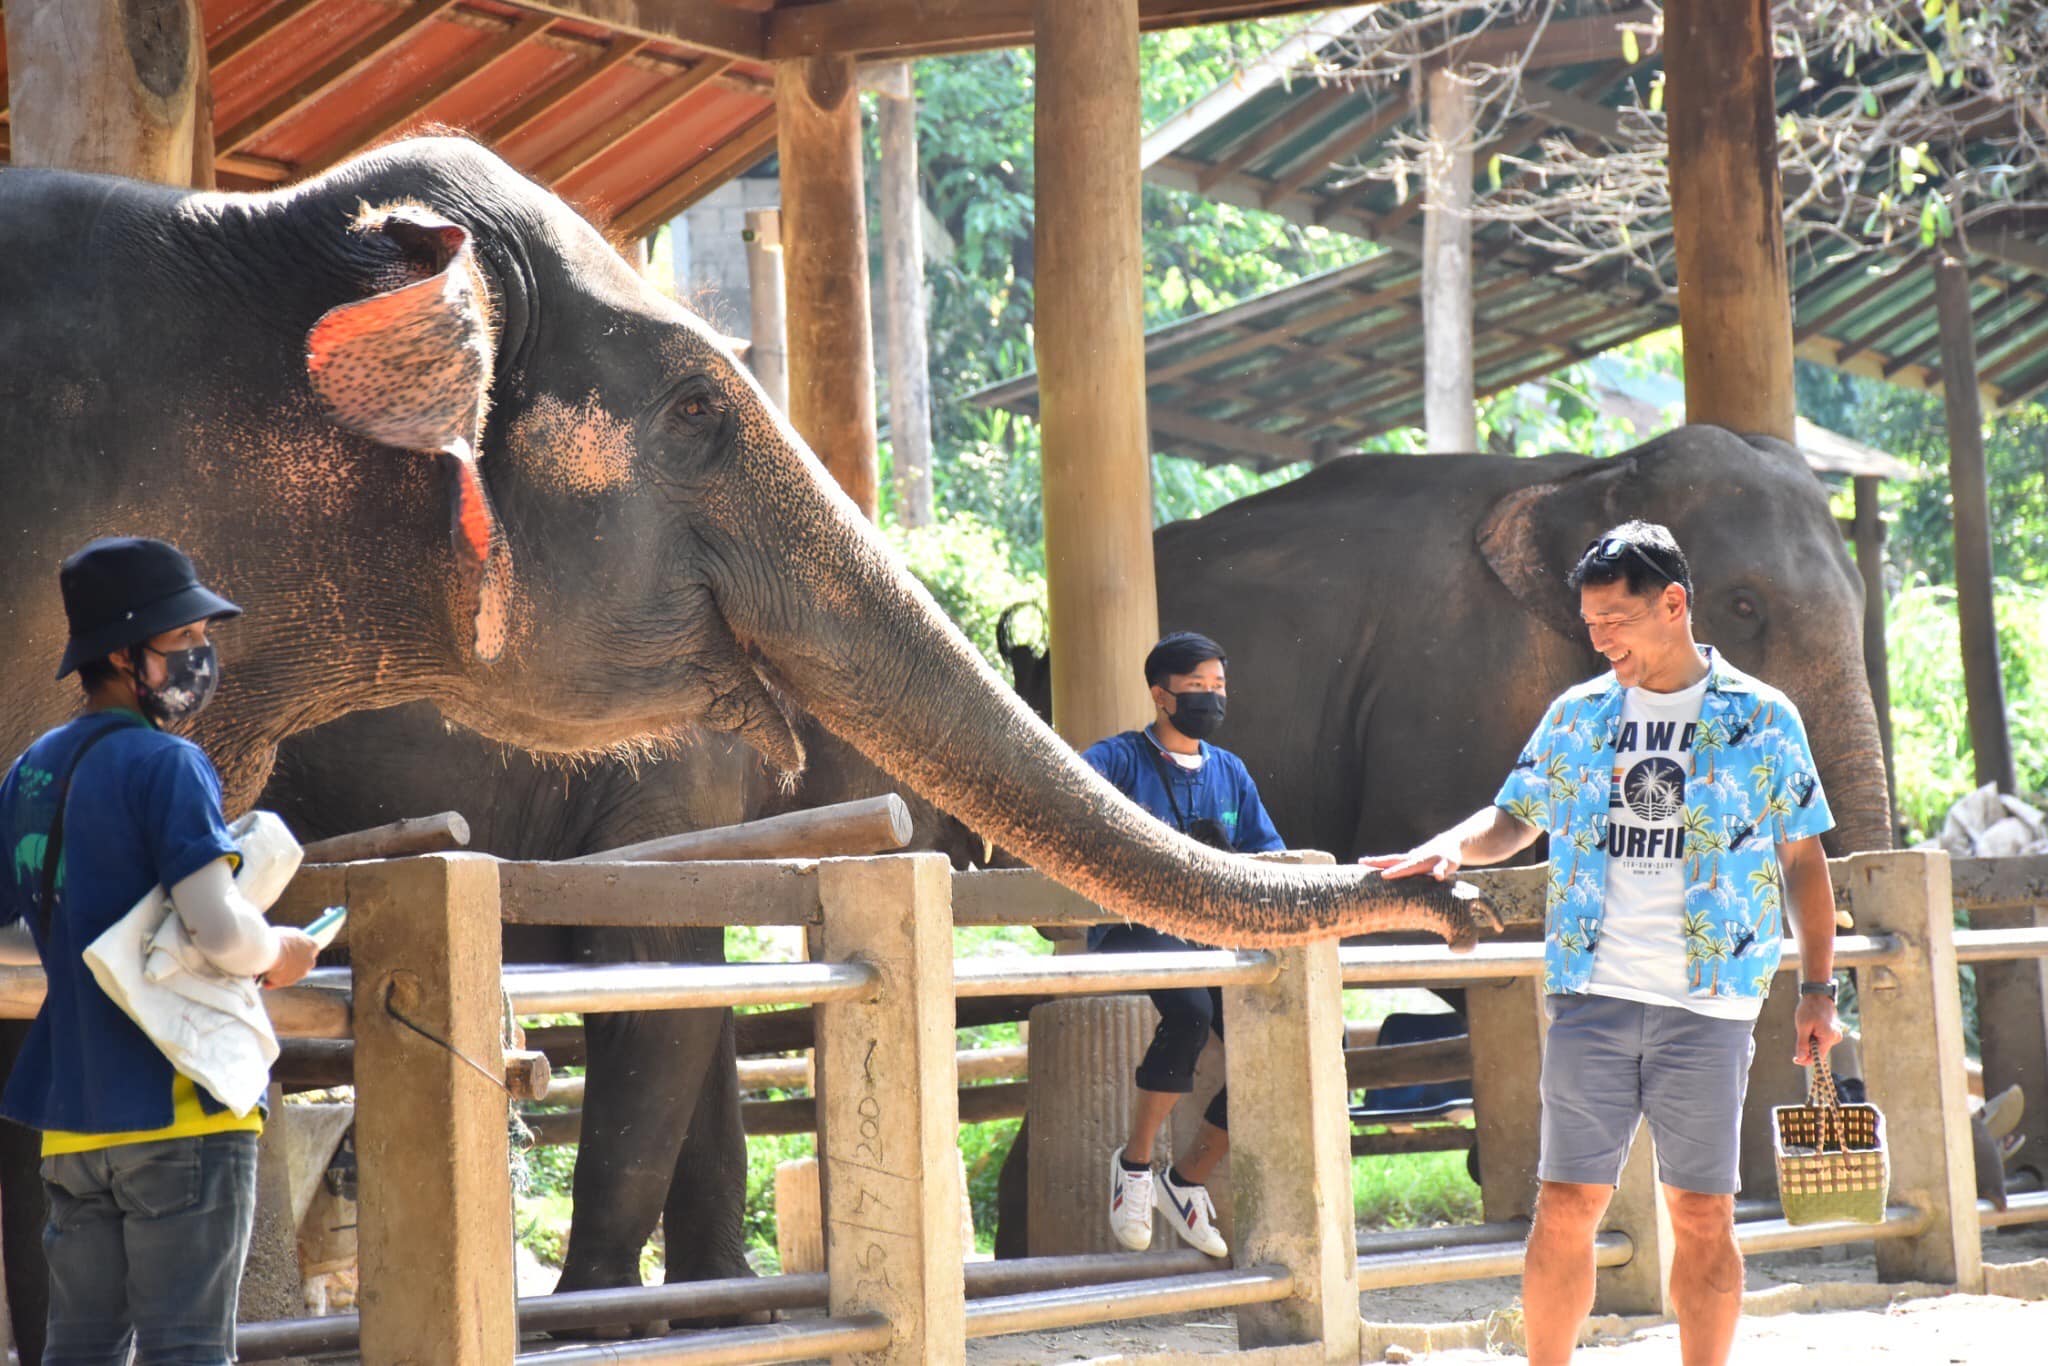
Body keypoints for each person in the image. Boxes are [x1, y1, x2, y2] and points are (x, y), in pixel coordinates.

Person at [1363, 522, 1843, 1366]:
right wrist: (1452, 844)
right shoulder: (1578, 713)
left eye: (1615, 620)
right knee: (1565, 1204)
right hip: (1593, 992)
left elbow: (1803, 861)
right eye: (1590, 623)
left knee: (1702, 1214)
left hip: (1710, 1002)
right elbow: (1513, 816)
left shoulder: (1764, 718)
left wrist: (1817, 990)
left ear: (1673, 604)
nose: (1600, 638)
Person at [0, 537, 320, 1365]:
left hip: (74, 1124)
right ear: (120, 653)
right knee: (187, 1350)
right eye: (182, 642)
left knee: (80, 1351)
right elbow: (218, 928)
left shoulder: (30, 773)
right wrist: (278, 948)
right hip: (181, 1110)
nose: (200, 658)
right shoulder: (170, 764)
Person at [1082, 631, 1284, 1258]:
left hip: (1209, 936)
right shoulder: (1116, 759)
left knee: (1276, 1041)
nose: (1212, 699)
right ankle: (1135, 1167)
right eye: (1198, 688)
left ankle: (1186, 1179)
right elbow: (1067, 803)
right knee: (1192, 1012)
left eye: (1219, 687)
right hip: (1131, 926)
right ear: (1161, 695)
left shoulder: (1230, 771)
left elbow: (1268, 851)